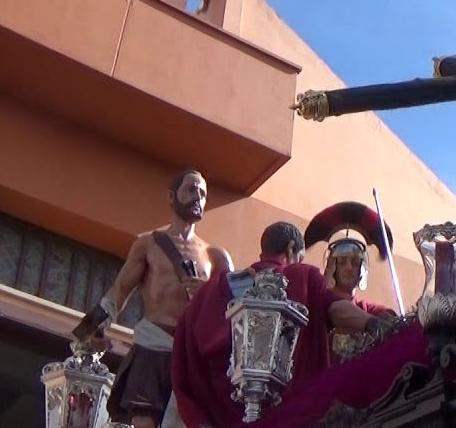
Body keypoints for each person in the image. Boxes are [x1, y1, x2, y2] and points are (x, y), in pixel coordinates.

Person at [171, 221, 393, 427]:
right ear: (291, 249)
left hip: (225, 419)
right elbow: (335, 309)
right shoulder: (303, 276)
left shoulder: (207, 294)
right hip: (290, 415)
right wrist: (375, 325)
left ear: (262, 252)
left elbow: (183, 369)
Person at [74, 169, 231, 428]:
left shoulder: (215, 256)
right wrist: (91, 330)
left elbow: (234, 311)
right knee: (143, 421)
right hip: (152, 344)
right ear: (172, 197)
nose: (197, 198)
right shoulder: (149, 245)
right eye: (190, 190)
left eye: (203, 194)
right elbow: (119, 289)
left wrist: (209, 292)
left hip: (192, 353)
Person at [303, 202, 400, 359]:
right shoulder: (316, 301)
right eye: (342, 261)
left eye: (355, 262)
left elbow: (389, 319)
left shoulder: (368, 309)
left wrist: (392, 323)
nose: (348, 267)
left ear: (362, 268)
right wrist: (372, 324)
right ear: (331, 265)